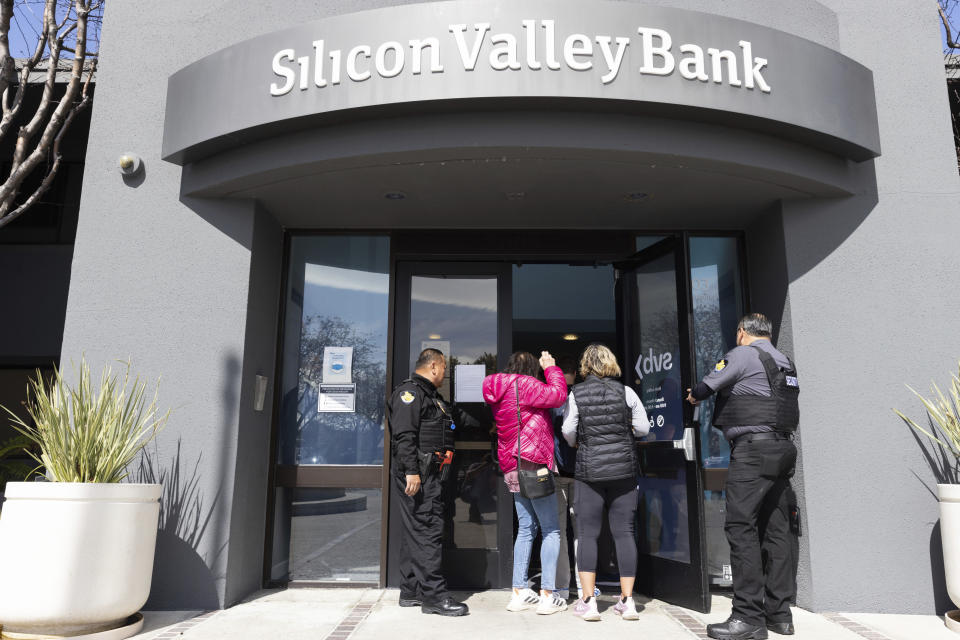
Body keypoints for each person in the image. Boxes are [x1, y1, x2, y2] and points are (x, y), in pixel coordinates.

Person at [686, 313, 799, 640]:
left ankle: (748, 617)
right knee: (776, 529)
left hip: (753, 451)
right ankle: (779, 615)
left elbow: (707, 386)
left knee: (740, 526)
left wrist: (693, 395)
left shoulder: (742, 354)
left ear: (741, 333)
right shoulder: (783, 360)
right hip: (782, 450)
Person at [562, 343, 649, 622]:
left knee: (588, 534)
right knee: (624, 532)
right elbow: (644, 428)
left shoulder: (576, 394)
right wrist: (625, 434)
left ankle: (588, 603)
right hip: (623, 471)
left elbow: (568, 430)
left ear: (585, 366)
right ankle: (628, 601)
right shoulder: (627, 392)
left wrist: (578, 443)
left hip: (590, 472)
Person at [482, 350, 568, 615]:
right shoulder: (527, 384)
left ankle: (518, 592)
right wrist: (552, 368)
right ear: (532, 369)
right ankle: (548, 596)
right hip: (533, 464)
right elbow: (558, 396)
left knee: (526, 528)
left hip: (511, 465)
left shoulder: (497, 387)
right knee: (551, 529)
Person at [388, 348, 469, 616]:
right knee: (427, 530)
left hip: (430, 474)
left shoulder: (432, 397)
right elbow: (404, 436)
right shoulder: (408, 394)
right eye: (445, 368)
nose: (445, 374)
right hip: (418, 476)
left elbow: (453, 423)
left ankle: (410, 590)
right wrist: (412, 471)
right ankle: (434, 597)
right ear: (433, 366)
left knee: (417, 530)